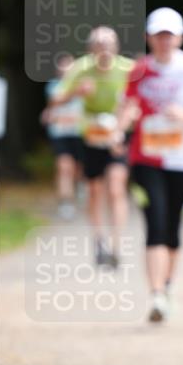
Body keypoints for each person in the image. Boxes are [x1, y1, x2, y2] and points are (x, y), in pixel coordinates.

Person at [121, 8, 183, 322]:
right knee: (155, 221)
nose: (164, 41)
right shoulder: (138, 71)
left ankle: (168, 285)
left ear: (180, 38)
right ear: (148, 37)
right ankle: (156, 294)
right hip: (146, 158)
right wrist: (125, 121)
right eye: (158, 35)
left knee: (173, 224)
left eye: (169, 35)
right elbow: (126, 107)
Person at [51, 27, 133, 267]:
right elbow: (56, 99)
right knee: (95, 191)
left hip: (118, 135)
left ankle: (116, 245)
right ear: (91, 49)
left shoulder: (128, 69)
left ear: (116, 47)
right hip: (90, 135)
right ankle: (99, 242)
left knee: (116, 187)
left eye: (109, 44)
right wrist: (77, 91)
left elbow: (136, 102)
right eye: (99, 44)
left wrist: (119, 128)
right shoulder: (80, 68)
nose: (104, 49)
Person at [42, 54, 83, 219]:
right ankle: (66, 203)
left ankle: (80, 186)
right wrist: (75, 92)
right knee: (64, 167)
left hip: (79, 133)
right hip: (60, 133)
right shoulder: (53, 86)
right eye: (63, 66)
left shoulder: (85, 84)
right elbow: (55, 101)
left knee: (78, 168)